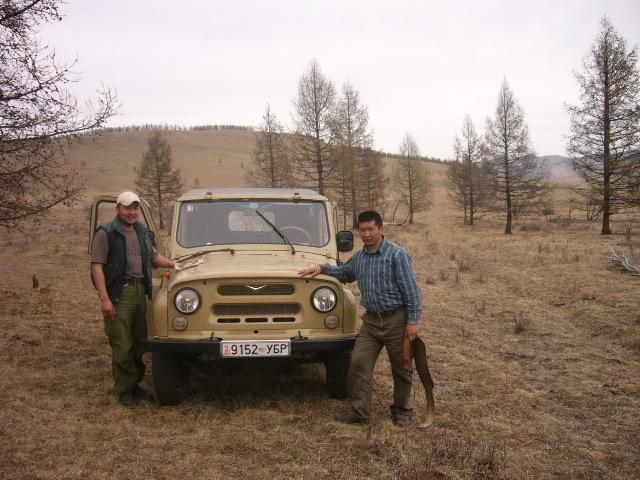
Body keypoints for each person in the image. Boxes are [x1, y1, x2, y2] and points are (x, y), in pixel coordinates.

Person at [299, 210, 423, 426]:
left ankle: (402, 411)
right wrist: (321, 268)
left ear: (380, 229)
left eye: (370, 229)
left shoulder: (397, 255)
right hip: (372, 322)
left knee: (401, 368)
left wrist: (413, 322)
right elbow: (346, 273)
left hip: (396, 320)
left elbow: (412, 292)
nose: (366, 234)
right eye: (362, 230)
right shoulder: (360, 257)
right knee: (358, 363)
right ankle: (360, 413)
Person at [90, 191, 176, 406]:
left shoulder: (142, 232)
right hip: (120, 293)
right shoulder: (106, 233)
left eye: (135, 208)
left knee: (139, 342)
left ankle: (135, 384)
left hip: (140, 292)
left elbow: (155, 258)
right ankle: (125, 390)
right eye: (127, 208)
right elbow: (97, 267)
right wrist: (104, 299)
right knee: (122, 343)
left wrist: (177, 265)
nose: (132, 212)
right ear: (118, 209)